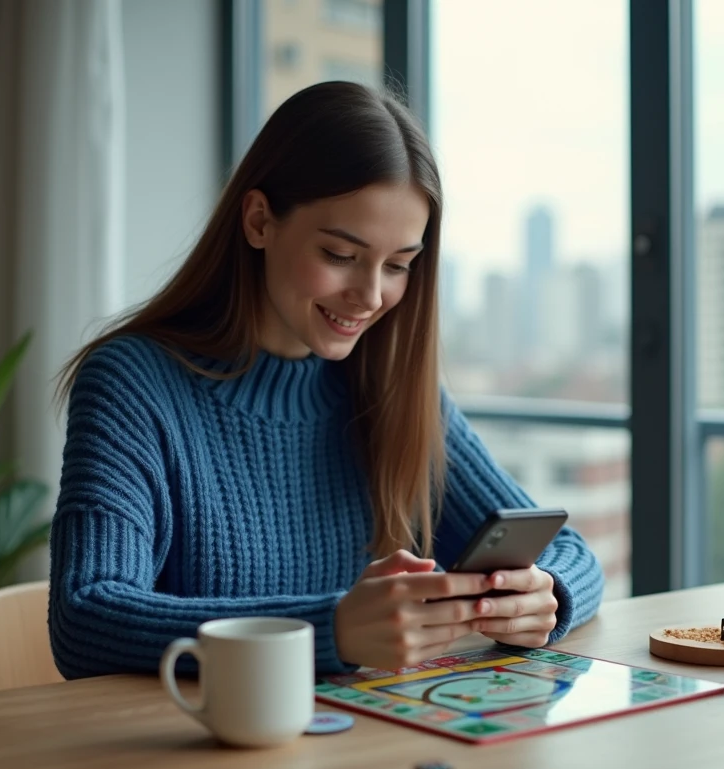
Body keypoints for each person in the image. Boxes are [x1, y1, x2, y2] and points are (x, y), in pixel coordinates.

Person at [48, 81, 604, 678]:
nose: (369, 297)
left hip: (361, 751)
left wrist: (545, 594)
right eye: (341, 255)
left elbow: (570, 554)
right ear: (260, 220)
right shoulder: (133, 386)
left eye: (397, 266)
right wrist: (330, 629)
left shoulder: (389, 387)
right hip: (198, 755)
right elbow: (87, 615)